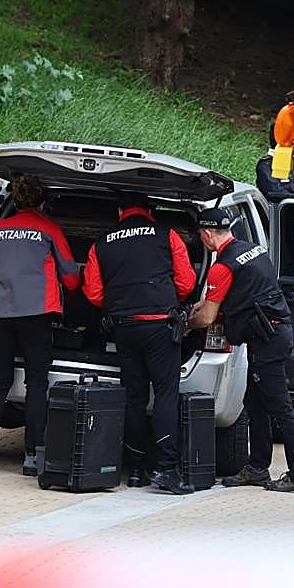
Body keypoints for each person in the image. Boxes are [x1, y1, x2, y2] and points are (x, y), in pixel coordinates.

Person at [83, 193, 196, 495]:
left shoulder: (101, 243)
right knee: (165, 395)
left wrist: (122, 304)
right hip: (160, 326)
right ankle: (167, 469)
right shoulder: (167, 235)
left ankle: (135, 471)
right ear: (151, 211)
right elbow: (186, 283)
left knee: (133, 396)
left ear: (120, 210)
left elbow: (93, 294)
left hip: (124, 327)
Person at [188, 206, 294, 492]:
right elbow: (240, 294)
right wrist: (203, 306)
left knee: (280, 406)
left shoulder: (223, 267)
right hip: (273, 333)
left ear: (206, 235)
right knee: (254, 403)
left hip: (266, 340)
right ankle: (257, 467)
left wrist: (187, 323)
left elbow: (206, 318)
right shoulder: (252, 250)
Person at [0, 174, 81, 476]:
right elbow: (71, 277)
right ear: (43, 202)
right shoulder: (49, 229)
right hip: (37, 315)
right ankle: (33, 455)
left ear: (16, 200)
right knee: (37, 383)